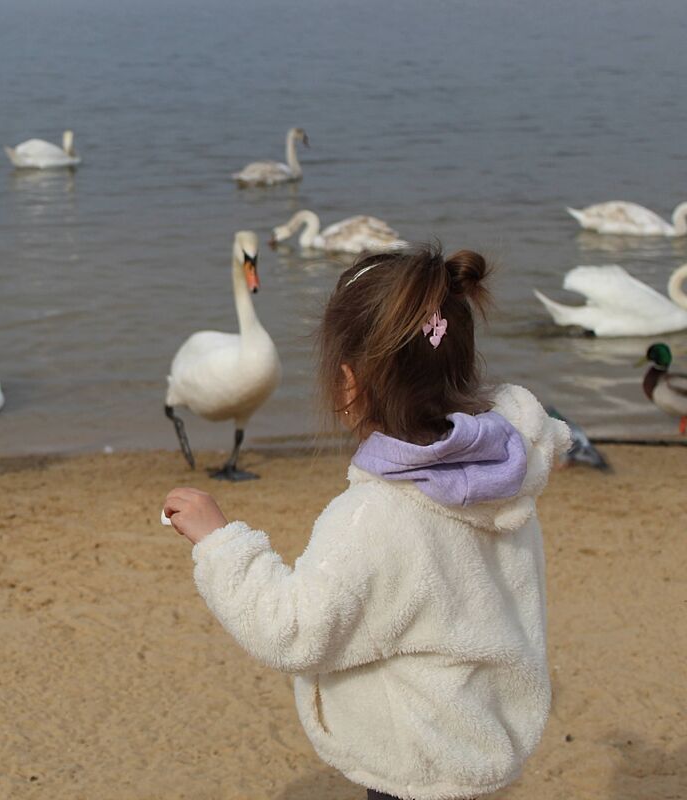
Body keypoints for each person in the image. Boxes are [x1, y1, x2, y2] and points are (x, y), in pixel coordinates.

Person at [162, 245, 569, 800]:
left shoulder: (376, 516)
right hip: (481, 739)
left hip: (416, 761)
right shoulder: (503, 475)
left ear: (348, 383)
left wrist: (219, 542)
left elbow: (294, 630)